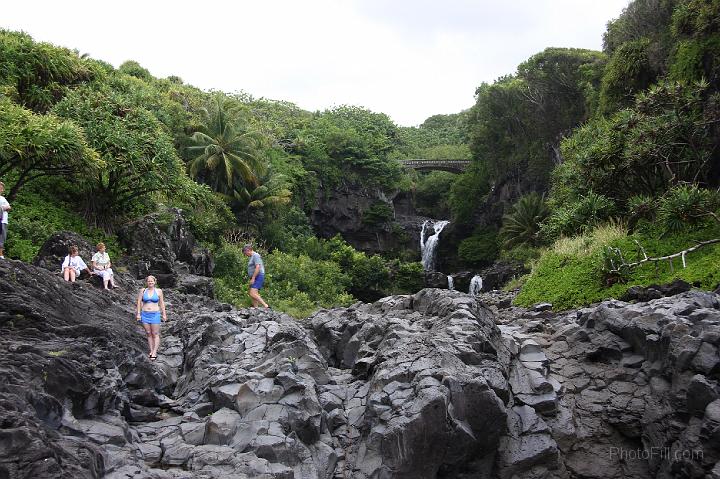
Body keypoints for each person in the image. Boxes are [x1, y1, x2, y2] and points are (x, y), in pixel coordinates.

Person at [135, 275, 167, 361]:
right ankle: (151, 350)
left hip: (155, 314)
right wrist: (138, 314)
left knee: (155, 333)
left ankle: (154, 352)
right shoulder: (143, 290)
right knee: (148, 333)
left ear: (155, 282)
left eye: (151, 281)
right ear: (146, 282)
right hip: (145, 314)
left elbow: (162, 303)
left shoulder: (159, 291)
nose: (150, 282)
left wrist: (164, 314)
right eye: (148, 281)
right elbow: (138, 302)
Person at [242, 244, 269, 308]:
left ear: (248, 250)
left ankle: (266, 306)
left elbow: (258, 267)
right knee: (254, 293)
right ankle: (256, 308)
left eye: (245, 253)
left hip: (258, 276)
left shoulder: (256, 255)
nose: (245, 255)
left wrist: (253, 278)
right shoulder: (252, 257)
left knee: (252, 293)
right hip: (255, 277)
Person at [0, 181, 10, 259]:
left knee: (2, 237)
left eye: (1, 188)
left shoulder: (3, 198)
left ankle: (0, 254)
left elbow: (9, 207)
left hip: (4, 220)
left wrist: (4, 208)